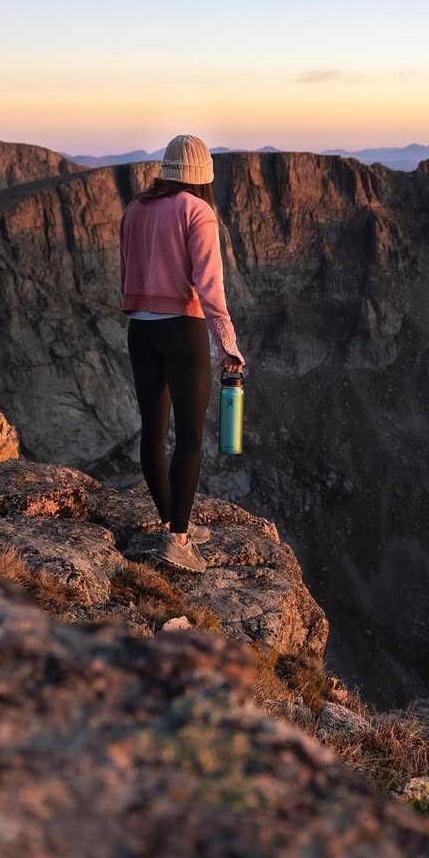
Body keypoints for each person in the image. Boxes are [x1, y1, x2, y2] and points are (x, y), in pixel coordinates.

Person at [119, 134, 244, 573]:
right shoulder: (198, 212)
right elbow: (210, 287)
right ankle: (178, 540)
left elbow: (126, 272)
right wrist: (228, 344)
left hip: (141, 330)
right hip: (182, 332)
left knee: (153, 432)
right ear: (203, 175)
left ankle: (171, 520)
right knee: (189, 437)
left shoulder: (135, 208)